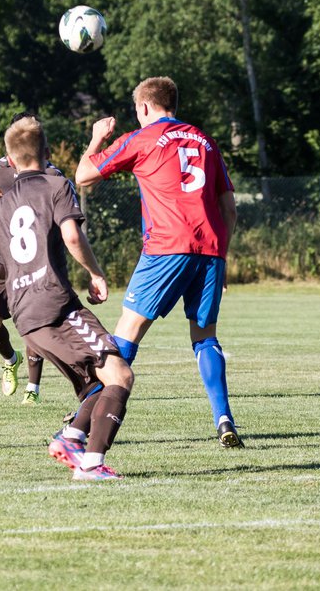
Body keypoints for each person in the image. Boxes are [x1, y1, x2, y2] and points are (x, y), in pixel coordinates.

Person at [75, 76, 242, 448]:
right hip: (210, 249)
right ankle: (224, 419)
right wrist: (222, 255)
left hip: (167, 247)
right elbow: (229, 208)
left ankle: (85, 417)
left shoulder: (143, 138)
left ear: (145, 108)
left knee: (125, 336)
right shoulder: (206, 141)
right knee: (205, 337)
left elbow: (83, 176)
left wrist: (97, 138)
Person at [0, 115, 133, 481]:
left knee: (96, 385)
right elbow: (73, 238)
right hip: (56, 305)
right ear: (45, 152)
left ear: (10, 161)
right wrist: (95, 273)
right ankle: (90, 464)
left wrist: (15, 272)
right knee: (120, 375)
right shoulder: (56, 184)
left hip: (25, 316)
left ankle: (71, 438)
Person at [0, 112, 67, 404]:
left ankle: (32, 390)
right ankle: (11, 359)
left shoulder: (52, 174)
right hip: (0, 260)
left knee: (31, 322)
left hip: (35, 260)